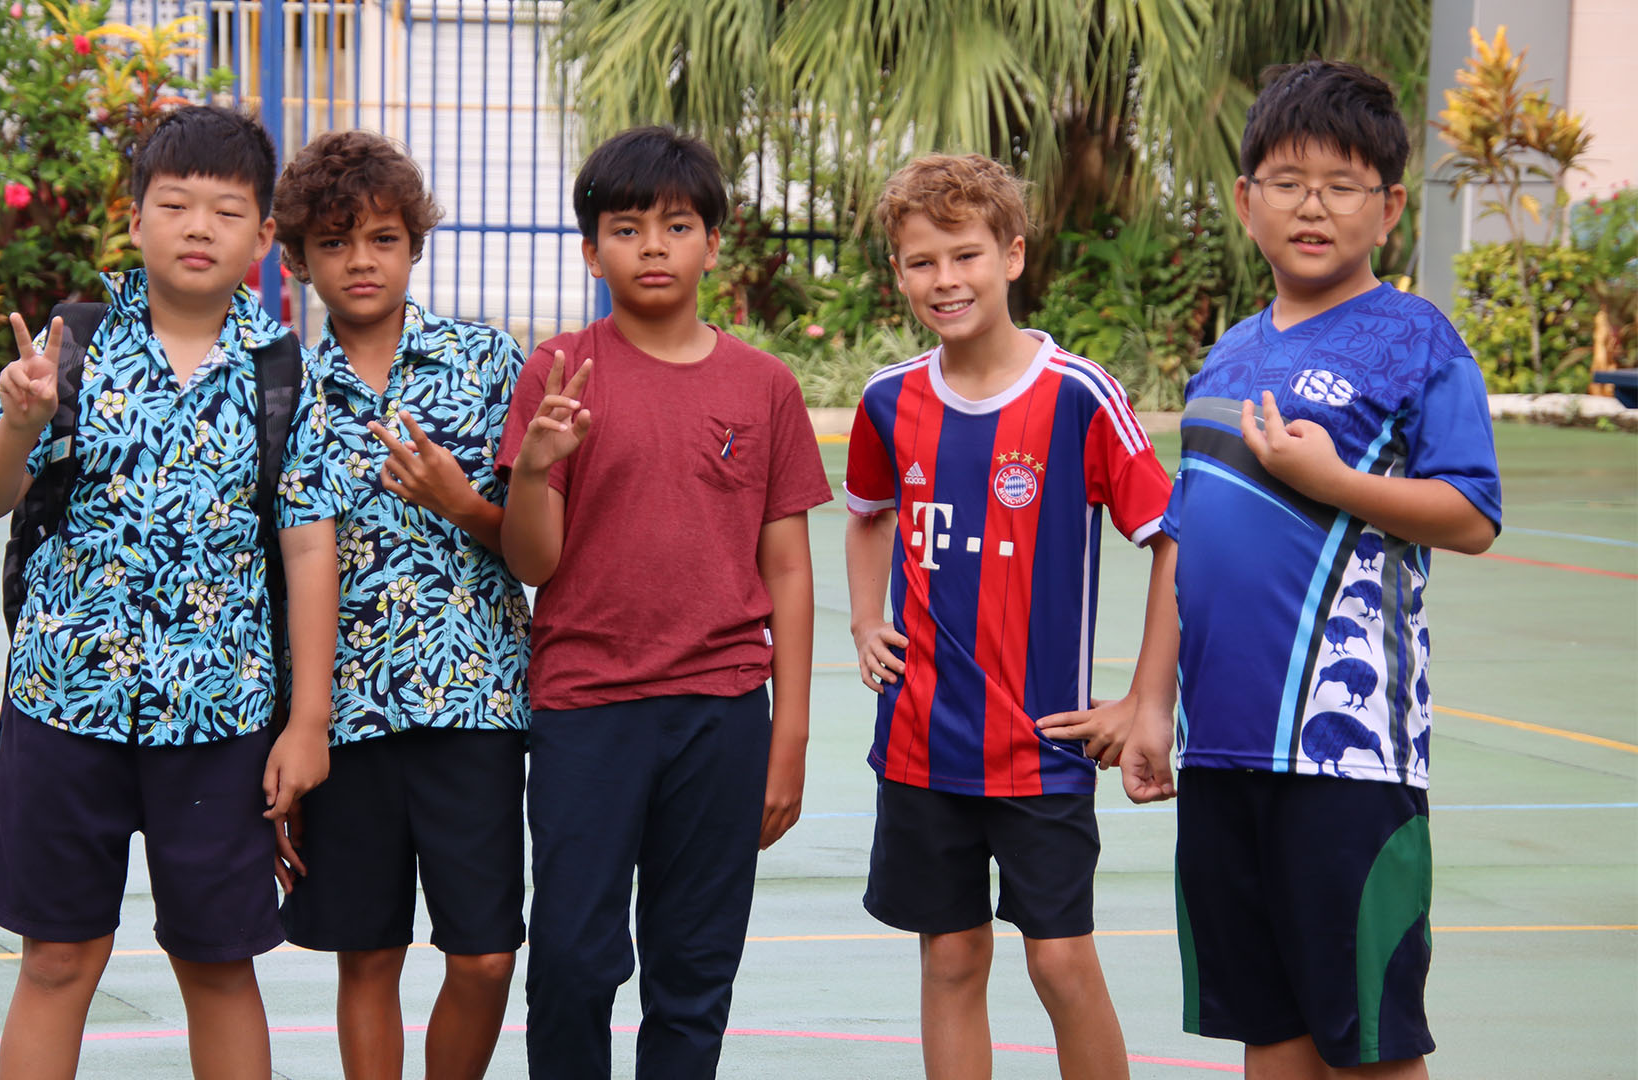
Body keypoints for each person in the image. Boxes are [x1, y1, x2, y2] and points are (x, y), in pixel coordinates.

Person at [1102, 60, 1502, 1079]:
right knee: (1267, 1029)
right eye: (1287, 182)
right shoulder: (1227, 357)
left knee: (1367, 1039)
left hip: (1348, 758)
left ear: (1390, 208)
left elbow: (1472, 514)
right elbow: (1183, 540)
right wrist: (1151, 704)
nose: (1312, 206)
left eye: (1341, 184)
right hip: (1220, 754)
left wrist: (1333, 481)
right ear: (1246, 201)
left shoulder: (1418, 342)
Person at [0, 105, 344, 1080]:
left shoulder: (283, 374)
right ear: (135, 221)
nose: (199, 227)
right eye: (175, 204)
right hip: (62, 707)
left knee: (218, 965)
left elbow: (308, 549)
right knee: (57, 960)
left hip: (218, 721)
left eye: (227, 210)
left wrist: (308, 722)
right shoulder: (68, 349)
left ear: (264, 236)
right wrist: (19, 421)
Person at [495, 125, 832, 1079]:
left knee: (694, 970)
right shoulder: (559, 372)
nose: (652, 246)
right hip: (587, 710)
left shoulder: (764, 385)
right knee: (572, 961)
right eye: (626, 227)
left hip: (723, 714)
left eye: (677, 226)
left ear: (712, 244)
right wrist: (535, 471)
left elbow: (790, 572)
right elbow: (533, 561)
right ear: (591, 248)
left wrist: (789, 735)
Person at [843, 152, 1176, 1080]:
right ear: (899, 273)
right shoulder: (888, 400)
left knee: (1061, 964)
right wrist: (865, 620)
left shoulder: (1077, 395)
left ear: (1013, 255)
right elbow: (866, 514)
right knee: (951, 959)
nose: (945, 279)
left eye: (966, 255)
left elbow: (1173, 540)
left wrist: (1142, 701)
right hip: (920, 741)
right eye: (922, 261)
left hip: (1042, 744)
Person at [268, 129, 529, 1080]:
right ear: (298, 260)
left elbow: (538, 542)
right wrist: (294, 723)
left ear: (414, 243)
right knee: (367, 954)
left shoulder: (488, 361)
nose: (361, 260)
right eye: (334, 242)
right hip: (343, 718)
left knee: (486, 955)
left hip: (477, 704)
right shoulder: (283, 388)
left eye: (382, 237)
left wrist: (461, 502)